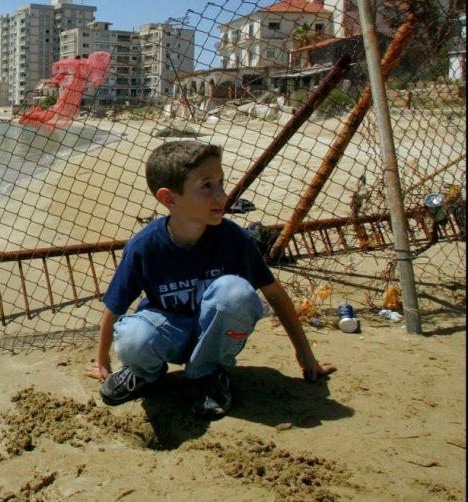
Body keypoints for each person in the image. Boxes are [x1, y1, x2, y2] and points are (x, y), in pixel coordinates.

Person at [86, 141, 336, 419]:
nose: (222, 195)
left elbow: (273, 292)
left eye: (221, 183)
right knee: (132, 337)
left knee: (237, 292)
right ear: (170, 199)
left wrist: (304, 353)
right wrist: (103, 360)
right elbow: (114, 306)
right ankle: (145, 375)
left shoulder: (232, 238)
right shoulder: (146, 246)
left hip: (214, 336)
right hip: (169, 332)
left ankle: (206, 374)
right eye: (207, 186)